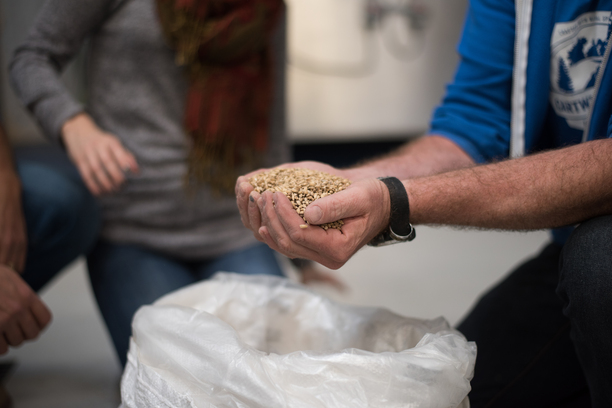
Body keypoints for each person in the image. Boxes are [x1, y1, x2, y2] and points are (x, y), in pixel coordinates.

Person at [236, 1, 612, 407]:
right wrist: (354, 183)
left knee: (596, 264)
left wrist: (398, 200)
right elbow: (472, 123)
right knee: (451, 388)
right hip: (565, 243)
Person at [9, 0, 296, 367]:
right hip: (134, 232)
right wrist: (72, 123)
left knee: (273, 370)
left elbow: (270, 122)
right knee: (178, 373)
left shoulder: (267, 6)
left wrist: (295, 243)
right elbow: (31, 58)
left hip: (234, 231)